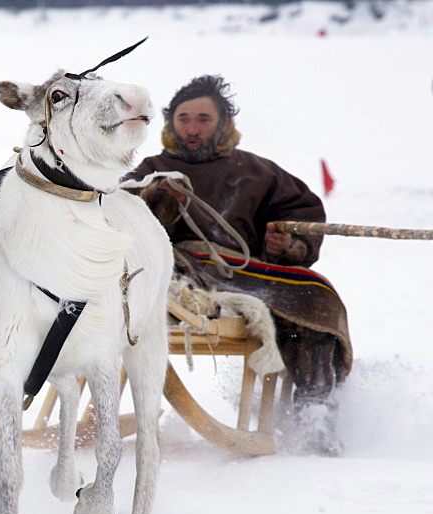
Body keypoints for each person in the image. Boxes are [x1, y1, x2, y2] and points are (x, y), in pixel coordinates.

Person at [126, 74, 351, 454]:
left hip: (245, 273)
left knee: (315, 296)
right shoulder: (153, 168)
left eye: (203, 119)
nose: (192, 129)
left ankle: (315, 415)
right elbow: (119, 213)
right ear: (170, 123)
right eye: (183, 119)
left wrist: (288, 244)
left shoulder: (259, 171)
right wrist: (153, 197)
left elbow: (300, 214)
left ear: (224, 123)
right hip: (177, 274)